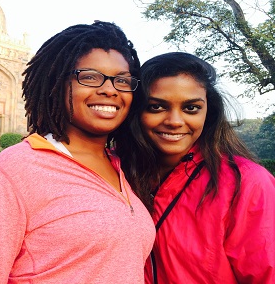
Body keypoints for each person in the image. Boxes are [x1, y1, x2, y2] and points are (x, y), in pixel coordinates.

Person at [0, 21, 155, 283]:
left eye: (122, 80)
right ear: (57, 83)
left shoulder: (124, 167)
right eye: (89, 77)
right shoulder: (19, 168)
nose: (109, 89)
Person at [118, 52, 275, 283]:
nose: (174, 121)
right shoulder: (113, 172)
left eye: (191, 108)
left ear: (208, 112)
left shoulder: (246, 182)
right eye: (156, 107)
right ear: (136, 112)